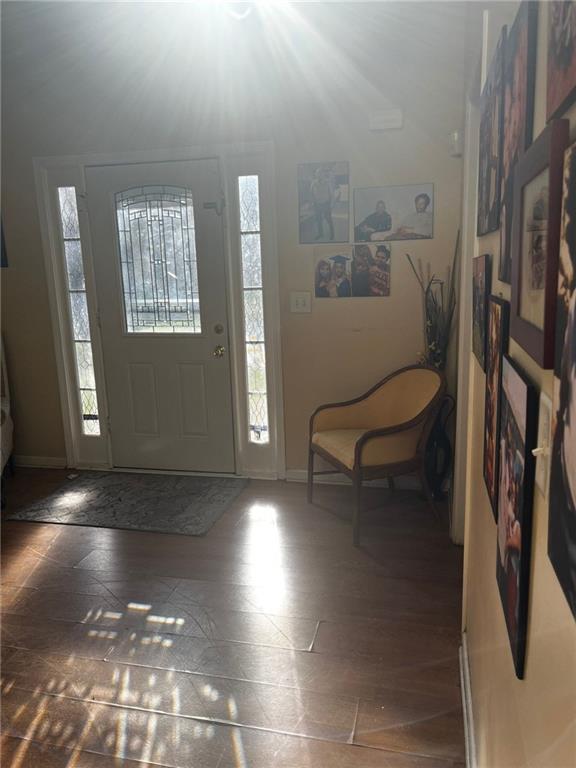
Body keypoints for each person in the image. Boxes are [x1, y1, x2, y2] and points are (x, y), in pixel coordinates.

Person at [310, 167, 335, 241]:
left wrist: (331, 205)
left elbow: (332, 195)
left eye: (320, 173)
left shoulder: (327, 182)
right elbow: (311, 193)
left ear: (323, 174)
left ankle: (332, 234)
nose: (318, 175)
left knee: (328, 220)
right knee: (319, 220)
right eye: (317, 173)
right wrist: (312, 203)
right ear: (316, 174)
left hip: (326, 204)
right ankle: (320, 234)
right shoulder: (313, 183)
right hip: (317, 205)